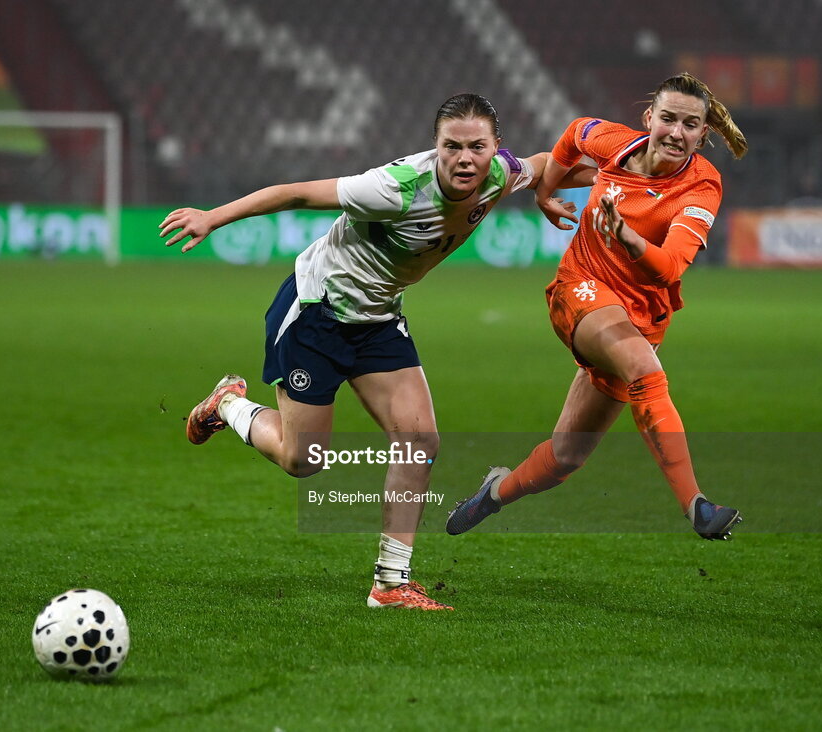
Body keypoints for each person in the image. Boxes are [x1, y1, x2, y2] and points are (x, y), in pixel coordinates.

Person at [160, 94, 594, 610]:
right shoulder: (395, 189)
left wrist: (598, 182)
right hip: (316, 314)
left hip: (378, 320)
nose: (464, 159)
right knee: (304, 461)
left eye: (477, 146)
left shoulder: (500, 173)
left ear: (495, 148)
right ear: (435, 148)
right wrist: (214, 217)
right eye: (451, 147)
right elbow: (296, 194)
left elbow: (549, 164)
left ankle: (390, 584)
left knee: (420, 442)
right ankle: (229, 405)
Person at [446, 72, 749, 540]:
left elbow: (668, 268)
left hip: (639, 318)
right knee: (644, 370)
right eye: (668, 119)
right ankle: (697, 507)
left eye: (690, 125)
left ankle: (495, 492)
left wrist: (628, 238)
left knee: (566, 457)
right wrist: (546, 193)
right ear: (650, 118)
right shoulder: (614, 143)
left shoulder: (701, 188)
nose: (676, 132)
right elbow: (573, 133)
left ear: (703, 134)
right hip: (579, 289)